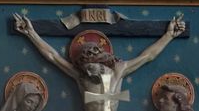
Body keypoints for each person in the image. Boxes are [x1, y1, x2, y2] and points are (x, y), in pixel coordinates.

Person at [13, 13, 185, 111]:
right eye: (85, 69)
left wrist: (169, 36)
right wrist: (30, 33)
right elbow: (52, 56)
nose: (88, 72)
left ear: (100, 61)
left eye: (90, 68)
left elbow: (148, 56)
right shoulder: (81, 77)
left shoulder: (118, 70)